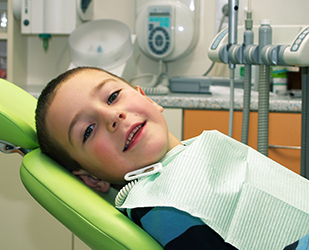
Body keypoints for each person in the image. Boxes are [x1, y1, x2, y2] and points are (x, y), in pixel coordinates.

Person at [35, 66, 309, 250]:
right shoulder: (162, 208)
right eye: (88, 131)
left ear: (148, 99)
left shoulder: (198, 150)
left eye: (113, 96)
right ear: (91, 179)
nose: (112, 117)